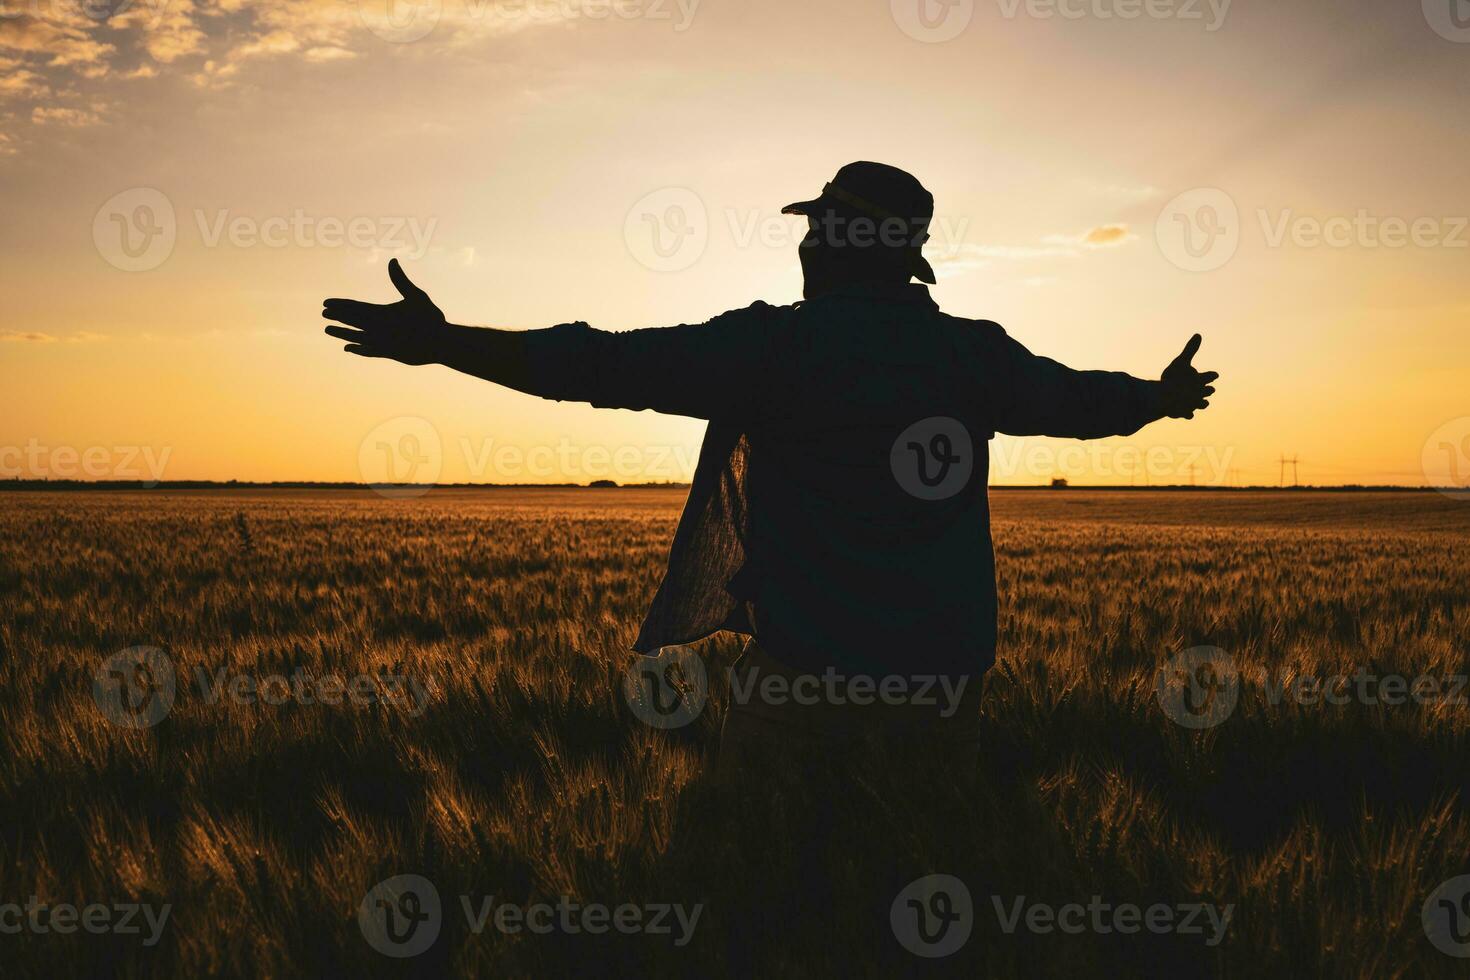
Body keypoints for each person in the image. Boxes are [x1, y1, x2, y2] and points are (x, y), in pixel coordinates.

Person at [322, 161, 1218, 767]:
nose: (801, 243)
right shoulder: (972, 355)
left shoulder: (773, 348)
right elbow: (1082, 401)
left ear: (837, 241)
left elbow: (595, 366)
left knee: (765, 895)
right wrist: (1161, 396)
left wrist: (445, 346)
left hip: (804, 690)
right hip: (942, 688)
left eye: (816, 226)